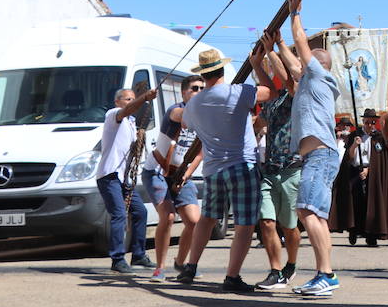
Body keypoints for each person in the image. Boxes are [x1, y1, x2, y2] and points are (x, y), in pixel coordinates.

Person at [173, 46, 272, 292]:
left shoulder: (194, 104)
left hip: (213, 169)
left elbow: (185, 122)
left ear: (203, 74)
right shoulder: (236, 92)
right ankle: (232, 276)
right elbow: (271, 91)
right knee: (244, 224)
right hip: (242, 164)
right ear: (221, 69)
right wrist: (257, 64)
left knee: (207, 219)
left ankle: (191, 266)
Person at [284, 0, 343, 297]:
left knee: (307, 211)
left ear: (316, 65)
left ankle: (327, 275)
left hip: (320, 155)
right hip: (317, 156)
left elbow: (303, 48)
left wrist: (295, 14)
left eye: (305, 62)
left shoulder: (319, 75)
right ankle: (324, 274)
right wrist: (275, 46)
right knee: (315, 216)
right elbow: (292, 66)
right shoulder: (310, 82)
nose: (300, 66)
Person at [251, 32, 303, 290]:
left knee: (290, 226)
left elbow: (287, 79)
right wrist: (256, 64)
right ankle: (275, 270)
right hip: (270, 169)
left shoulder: (295, 94)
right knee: (267, 222)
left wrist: (272, 49)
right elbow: (268, 85)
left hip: (292, 169)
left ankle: (291, 263)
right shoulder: (271, 101)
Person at [97, 85, 158, 273]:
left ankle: (138, 255)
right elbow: (128, 110)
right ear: (118, 102)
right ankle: (117, 259)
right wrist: (144, 98)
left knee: (140, 212)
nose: (131, 102)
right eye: (128, 99)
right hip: (110, 175)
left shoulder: (131, 122)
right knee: (119, 215)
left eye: (133, 98)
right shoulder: (114, 114)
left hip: (124, 178)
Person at [149, 75, 204, 280]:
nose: (199, 92)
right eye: (194, 89)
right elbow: (183, 117)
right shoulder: (175, 110)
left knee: (194, 221)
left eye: (202, 88)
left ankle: (181, 263)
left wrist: (186, 175)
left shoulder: (203, 117)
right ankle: (160, 267)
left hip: (182, 174)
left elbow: (200, 154)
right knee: (169, 216)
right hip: (158, 171)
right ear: (183, 92)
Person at [329, 108, 388, 247]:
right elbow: (349, 156)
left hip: (372, 174)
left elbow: (380, 159)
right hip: (355, 171)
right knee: (356, 203)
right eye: (367, 122)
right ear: (363, 121)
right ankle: (354, 230)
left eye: (372, 122)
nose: (370, 125)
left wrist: (369, 170)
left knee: (372, 204)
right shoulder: (355, 135)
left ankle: (371, 235)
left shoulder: (378, 138)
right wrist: (354, 145)